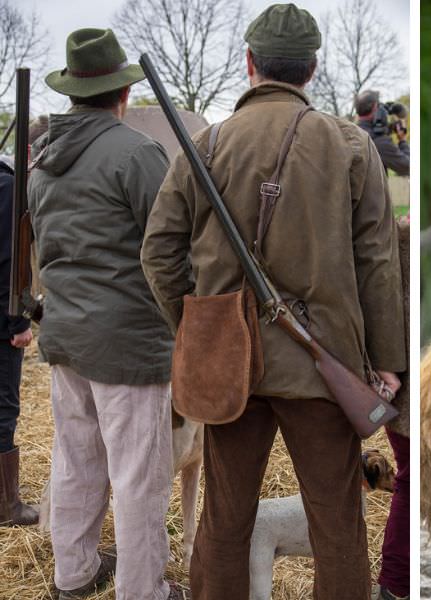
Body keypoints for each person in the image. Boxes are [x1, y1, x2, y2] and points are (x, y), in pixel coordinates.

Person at [141, 4, 406, 599]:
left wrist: (198, 328)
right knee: (338, 525)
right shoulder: (351, 147)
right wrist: (387, 361)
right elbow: (378, 263)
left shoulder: (205, 145)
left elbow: (158, 254)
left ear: (250, 63)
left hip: (230, 368)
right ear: (311, 69)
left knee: (225, 522)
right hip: (324, 365)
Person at [28, 29, 182, 599]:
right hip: (128, 343)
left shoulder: (42, 164)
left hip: (66, 336)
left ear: (74, 93)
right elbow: (171, 246)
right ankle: (144, 590)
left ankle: (74, 573)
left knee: (75, 461)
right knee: (140, 479)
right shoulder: (137, 154)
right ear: (121, 94)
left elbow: (48, 253)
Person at [374, 216, 410, 600]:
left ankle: (395, 583)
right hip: (403, 389)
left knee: (408, 480)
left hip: (396, 386)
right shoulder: (401, 240)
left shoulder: (392, 238)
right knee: (410, 481)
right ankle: (396, 585)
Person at [0, 154, 35, 528]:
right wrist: (17, 322)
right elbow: (11, 261)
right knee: (3, 408)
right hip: (0, 324)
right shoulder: (9, 187)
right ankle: (5, 506)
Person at [355, 90, 409, 176]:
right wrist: (402, 141)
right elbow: (408, 167)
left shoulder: (352, 134)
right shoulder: (377, 141)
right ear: (375, 107)